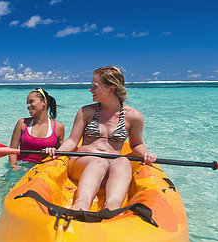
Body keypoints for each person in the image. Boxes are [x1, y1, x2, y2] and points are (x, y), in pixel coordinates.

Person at [45, 66, 156, 211]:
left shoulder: (134, 117)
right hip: (83, 163)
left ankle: (112, 207)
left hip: (112, 167)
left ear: (111, 89)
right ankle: (81, 204)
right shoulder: (86, 112)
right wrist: (57, 151)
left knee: (123, 161)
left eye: (95, 87)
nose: (90, 90)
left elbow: (136, 144)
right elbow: (72, 141)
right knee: (98, 162)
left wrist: (146, 153)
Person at [9, 87, 65, 170]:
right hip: (22, 168)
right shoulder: (22, 124)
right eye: (27, 103)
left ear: (44, 102)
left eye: (31, 102)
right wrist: (15, 167)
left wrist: (54, 150)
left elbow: (60, 151)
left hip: (43, 170)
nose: (28, 106)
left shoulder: (58, 127)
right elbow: (12, 151)